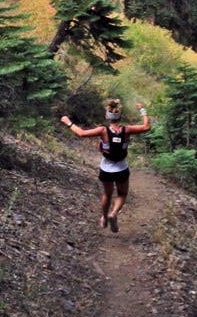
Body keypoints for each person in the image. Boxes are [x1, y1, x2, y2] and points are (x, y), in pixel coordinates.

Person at [60, 98, 151, 233]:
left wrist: (68, 122)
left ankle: (103, 217)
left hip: (106, 169)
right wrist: (142, 110)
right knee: (122, 193)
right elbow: (146, 127)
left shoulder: (102, 130)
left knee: (107, 194)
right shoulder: (127, 130)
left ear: (107, 116)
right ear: (119, 116)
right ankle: (113, 213)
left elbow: (81, 133)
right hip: (121, 168)